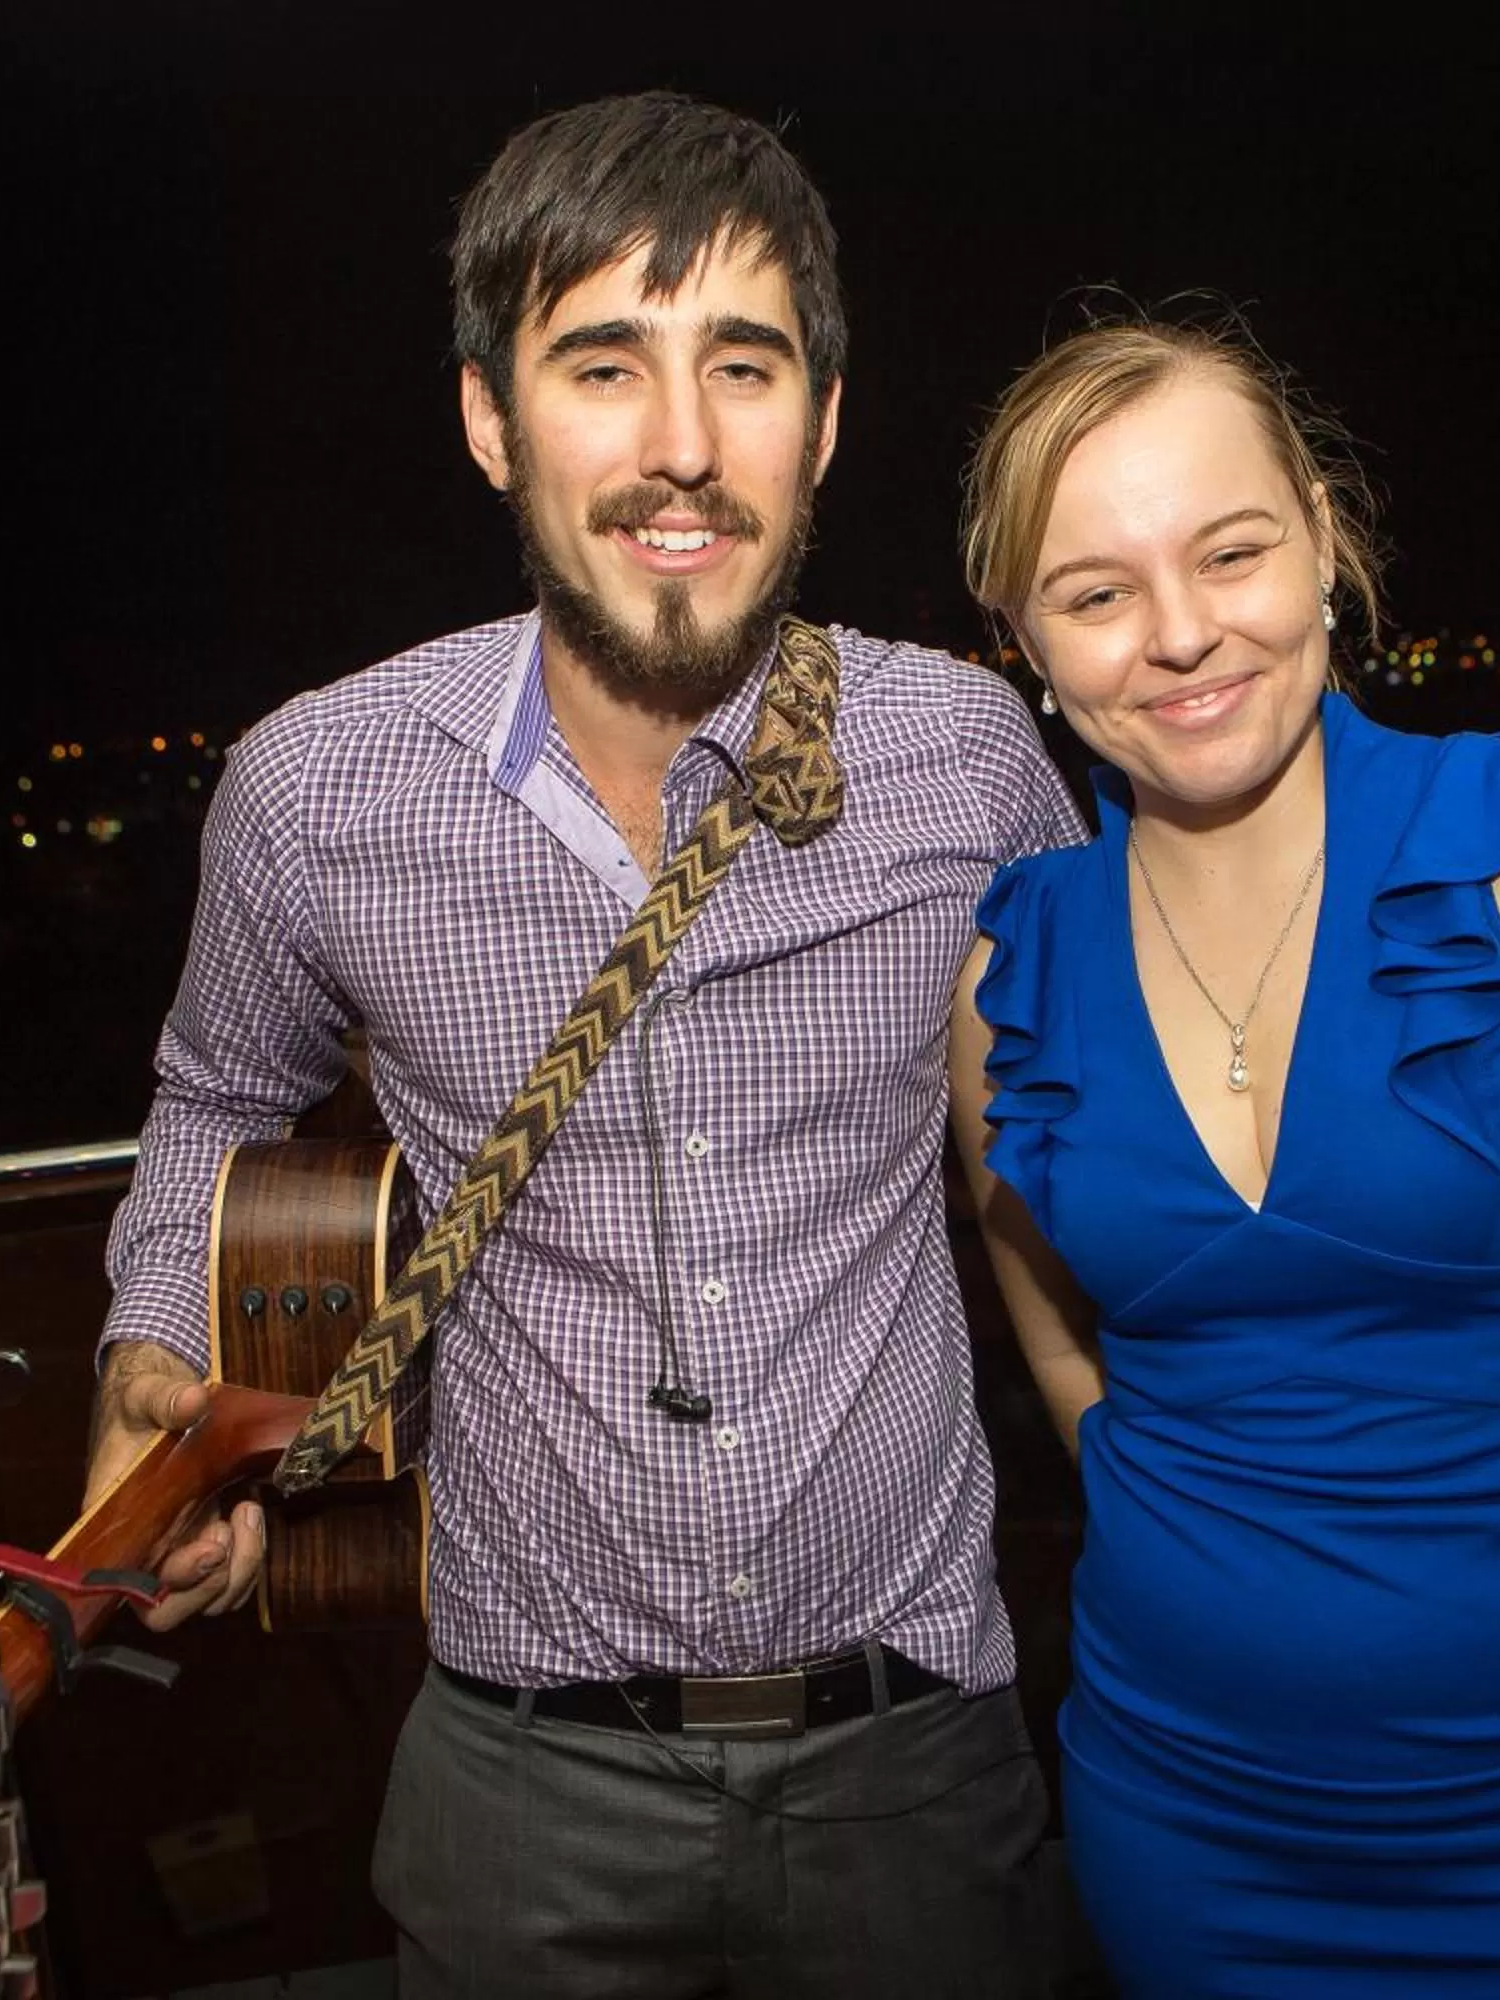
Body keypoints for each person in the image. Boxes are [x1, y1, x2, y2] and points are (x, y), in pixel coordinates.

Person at [86, 92, 1081, 1999]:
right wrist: (156, 1370)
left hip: (921, 1769)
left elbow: (1113, 1102)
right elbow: (216, 1099)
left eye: (744, 366)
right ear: (488, 419)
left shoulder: (961, 758)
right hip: (514, 1780)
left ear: (829, 423)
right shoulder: (318, 793)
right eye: (603, 366)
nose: (683, 448)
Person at [949, 318, 1500, 1999]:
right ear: (1029, 644)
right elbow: (1047, 1308)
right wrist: (1161, 1488)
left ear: (1326, 545)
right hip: (1185, 1822)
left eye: (1231, 553)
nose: (1181, 634)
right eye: (1097, 592)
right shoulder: (1012, 974)